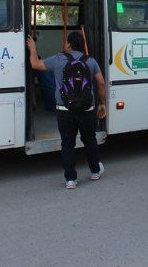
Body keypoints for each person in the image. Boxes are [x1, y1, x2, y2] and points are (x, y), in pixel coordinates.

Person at [26, 31, 106, 189]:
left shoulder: (57, 59)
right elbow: (101, 83)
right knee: (89, 139)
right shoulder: (91, 61)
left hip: (64, 109)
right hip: (87, 108)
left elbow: (35, 64)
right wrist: (101, 103)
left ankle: (70, 179)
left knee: (67, 144)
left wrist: (33, 48)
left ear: (68, 44)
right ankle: (95, 171)